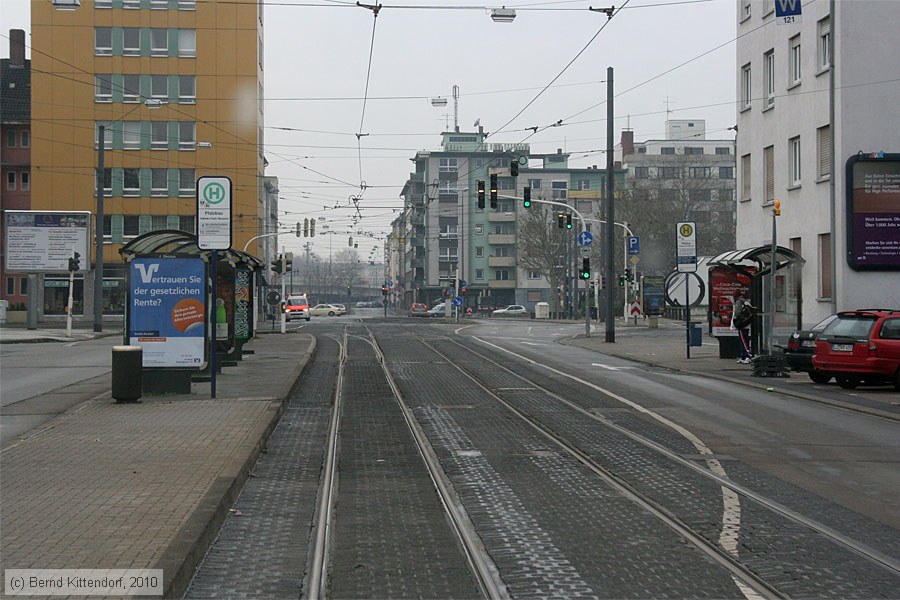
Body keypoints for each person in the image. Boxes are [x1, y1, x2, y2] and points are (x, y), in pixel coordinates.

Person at [731, 292, 755, 364]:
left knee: (743, 341)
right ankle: (743, 356)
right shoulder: (746, 301)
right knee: (745, 340)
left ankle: (747, 356)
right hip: (746, 323)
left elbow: (737, 312)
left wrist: (734, 318)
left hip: (742, 324)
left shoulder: (739, 301)